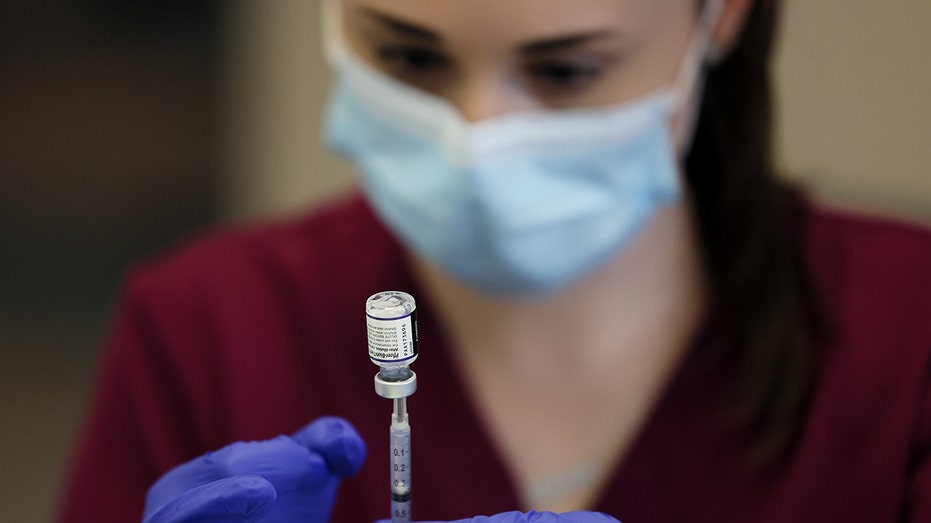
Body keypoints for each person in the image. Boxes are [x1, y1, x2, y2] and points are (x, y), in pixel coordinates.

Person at [57, 0, 931, 521]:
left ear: (723, 13)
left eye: (565, 70)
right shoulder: (205, 328)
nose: (477, 139)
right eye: (407, 55)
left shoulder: (907, 336)